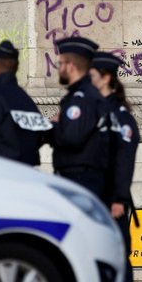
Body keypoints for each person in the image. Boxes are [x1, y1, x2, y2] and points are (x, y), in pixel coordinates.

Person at [88, 50, 138, 282]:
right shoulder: (97, 109)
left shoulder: (118, 115)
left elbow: (124, 160)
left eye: (92, 76)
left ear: (105, 78)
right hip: (98, 195)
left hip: (112, 199)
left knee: (117, 253)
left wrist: (119, 197)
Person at [49, 36, 110, 201]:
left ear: (71, 66)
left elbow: (71, 138)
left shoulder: (82, 98)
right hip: (80, 178)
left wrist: (53, 126)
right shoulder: (83, 94)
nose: (59, 68)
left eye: (60, 64)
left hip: (80, 179)